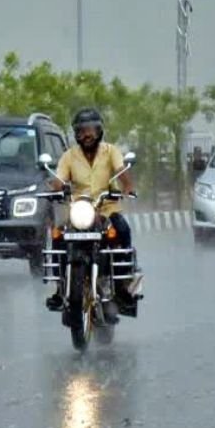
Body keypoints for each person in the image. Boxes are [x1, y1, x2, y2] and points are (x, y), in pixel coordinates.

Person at [44, 108, 139, 317]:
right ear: (76, 134)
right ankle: (60, 288)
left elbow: (121, 171)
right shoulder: (69, 156)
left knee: (122, 230)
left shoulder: (111, 151)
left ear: (99, 131)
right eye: (81, 131)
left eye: (91, 130)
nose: (87, 135)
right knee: (58, 236)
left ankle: (123, 285)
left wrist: (128, 187)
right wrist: (56, 189)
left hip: (106, 208)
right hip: (79, 211)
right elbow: (59, 179)